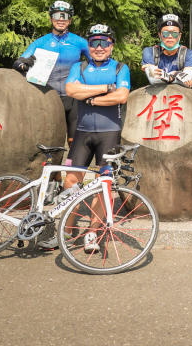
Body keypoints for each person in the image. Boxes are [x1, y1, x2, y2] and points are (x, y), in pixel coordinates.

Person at [39, 24, 130, 251]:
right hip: (82, 133)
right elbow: (71, 90)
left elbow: (121, 96)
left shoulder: (121, 67)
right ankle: (67, 231)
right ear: (88, 46)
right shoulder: (78, 67)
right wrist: (105, 88)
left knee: (103, 185)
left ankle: (92, 233)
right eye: (94, 43)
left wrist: (90, 97)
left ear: (111, 45)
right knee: (71, 181)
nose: (98, 47)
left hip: (109, 134)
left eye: (104, 42)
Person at [13, 1, 90, 145]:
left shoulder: (79, 42)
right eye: (56, 16)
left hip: (73, 98)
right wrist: (24, 65)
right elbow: (18, 63)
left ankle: (71, 167)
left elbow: (98, 62)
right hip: (49, 98)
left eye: (65, 16)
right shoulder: (40, 42)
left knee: (75, 143)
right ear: (51, 19)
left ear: (70, 20)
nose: (61, 19)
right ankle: (52, 168)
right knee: (50, 143)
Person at [141, 13, 192, 88]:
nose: (170, 36)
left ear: (179, 36)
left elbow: (187, 81)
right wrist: (176, 75)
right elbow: (153, 80)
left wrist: (170, 77)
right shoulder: (149, 52)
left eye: (174, 33)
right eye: (166, 33)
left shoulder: (189, 53)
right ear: (160, 35)